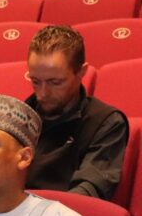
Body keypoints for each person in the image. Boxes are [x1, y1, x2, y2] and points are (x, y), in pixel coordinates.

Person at [25, 25, 127, 200]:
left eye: (55, 82)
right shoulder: (18, 115)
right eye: (35, 81)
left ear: (81, 72)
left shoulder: (106, 122)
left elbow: (88, 191)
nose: (42, 93)